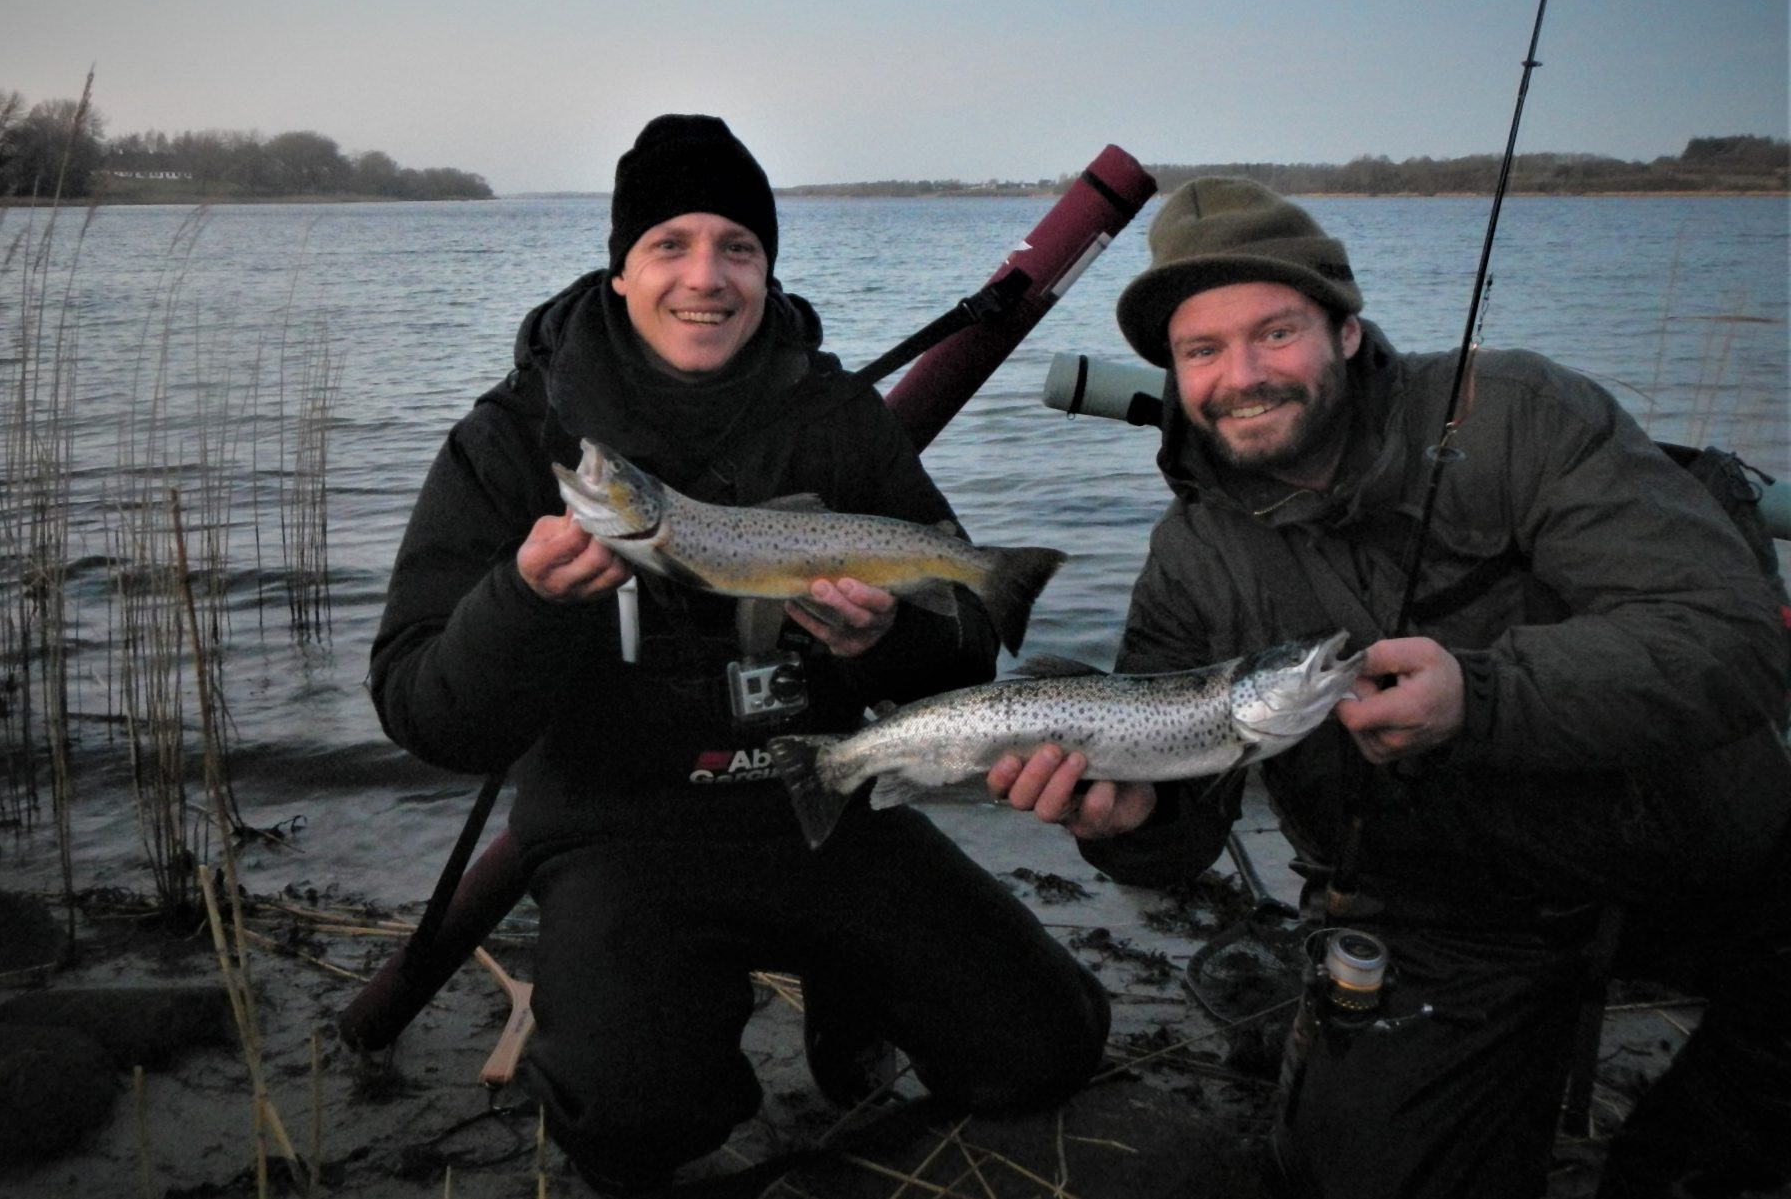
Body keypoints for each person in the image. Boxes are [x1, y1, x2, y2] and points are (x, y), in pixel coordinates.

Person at [987, 176, 1791, 1198]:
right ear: (1177, 373)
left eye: (1275, 332)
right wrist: (1125, 819)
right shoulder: (1190, 556)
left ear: (1348, 330)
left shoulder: (1520, 416)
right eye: (1202, 350)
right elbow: (1179, 836)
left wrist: (1482, 697)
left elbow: (1727, 635)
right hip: (1440, 917)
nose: (1242, 375)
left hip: (1699, 844)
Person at [369, 114, 1108, 1192]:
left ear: (767, 269)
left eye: (739, 247)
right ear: (620, 269)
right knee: (630, 1125)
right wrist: (524, 599)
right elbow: (426, 713)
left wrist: (890, 636)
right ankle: (672, 1014)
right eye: (670, 244)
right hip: (617, 832)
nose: (705, 277)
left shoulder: (840, 417)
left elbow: (962, 665)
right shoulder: (515, 437)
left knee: (1046, 1047)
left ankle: (849, 998)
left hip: (824, 805)